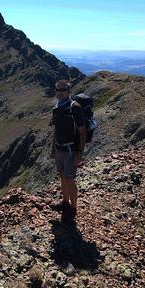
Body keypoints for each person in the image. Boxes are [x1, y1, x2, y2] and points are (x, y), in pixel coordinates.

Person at [50, 80, 86, 221]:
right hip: (59, 148)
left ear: (68, 91)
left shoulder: (74, 108)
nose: (60, 92)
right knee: (62, 175)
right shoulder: (57, 107)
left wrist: (79, 153)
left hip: (71, 150)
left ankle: (73, 208)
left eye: (63, 90)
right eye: (58, 89)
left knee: (70, 179)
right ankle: (65, 203)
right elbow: (56, 130)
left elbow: (82, 132)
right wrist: (53, 148)